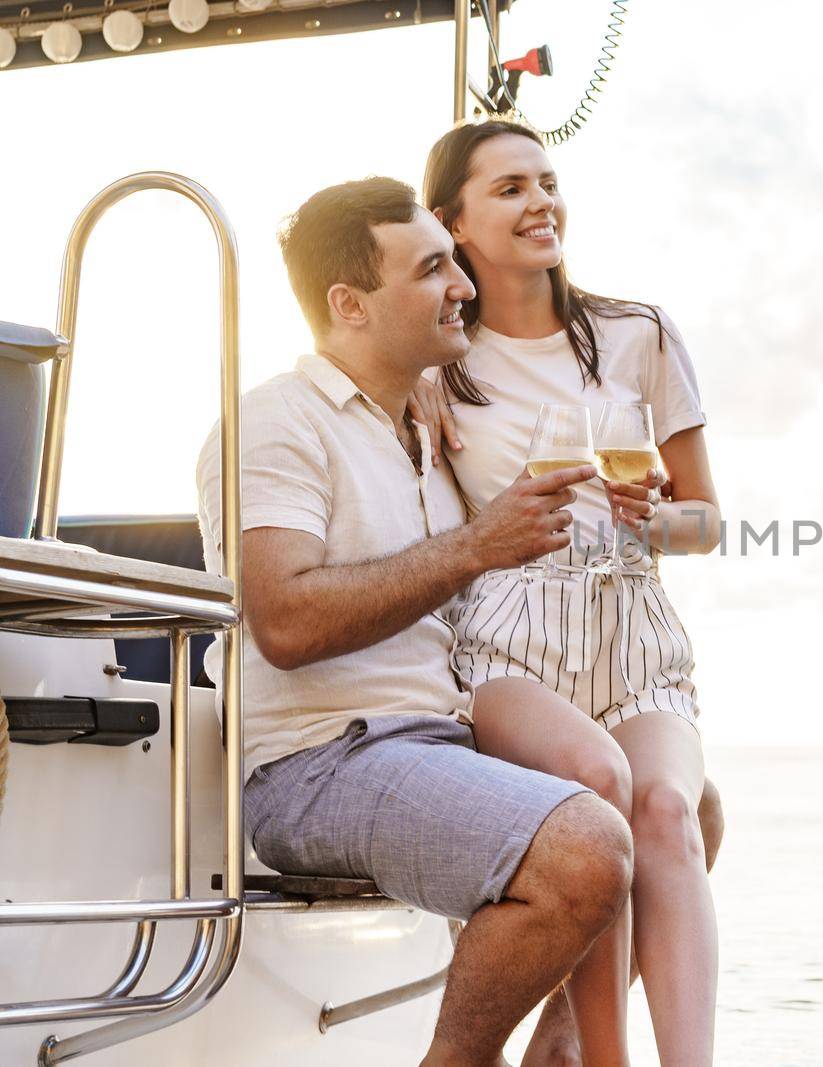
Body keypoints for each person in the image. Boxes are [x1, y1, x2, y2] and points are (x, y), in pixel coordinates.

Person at [195, 176, 634, 1067]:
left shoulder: (427, 427)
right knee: (586, 850)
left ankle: (563, 1050)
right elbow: (282, 620)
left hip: (439, 738)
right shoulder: (275, 423)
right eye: (433, 268)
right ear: (348, 304)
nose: (463, 285)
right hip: (320, 760)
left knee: (680, 809)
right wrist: (476, 546)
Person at [412, 118, 723, 1067]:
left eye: (546, 182)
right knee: (599, 783)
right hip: (511, 633)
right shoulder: (436, 364)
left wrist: (651, 518)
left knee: (670, 809)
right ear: (451, 222)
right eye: (508, 188)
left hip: (632, 621)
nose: (540, 202)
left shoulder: (640, 335)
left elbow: (705, 523)